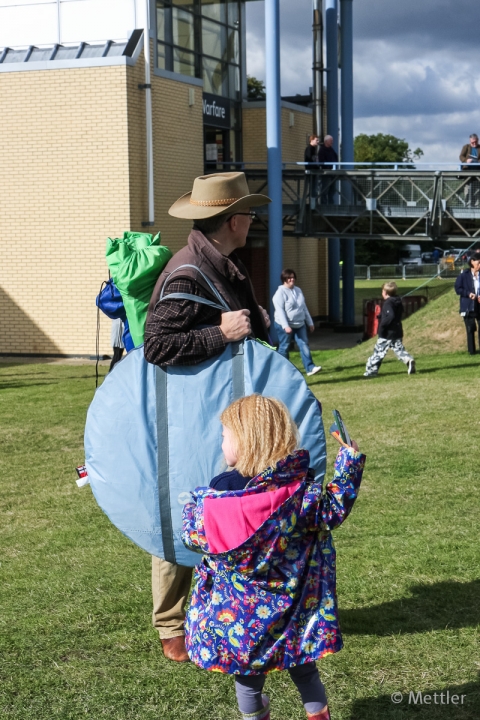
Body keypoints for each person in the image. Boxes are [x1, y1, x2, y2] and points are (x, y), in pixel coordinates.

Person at [143, 172, 271, 662]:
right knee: (179, 515)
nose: (254, 220)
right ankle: (171, 626)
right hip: (187, 419)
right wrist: (220, 332)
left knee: (225, 510)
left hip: (221, 413)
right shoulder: (187, 272)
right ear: (234, 219)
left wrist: (253, 320)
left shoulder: (221, 264)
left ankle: (220, 609)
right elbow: (158, 345)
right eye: (251, 212)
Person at [181, 394, 366, 720]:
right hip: (294, 613)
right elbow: (334, 508)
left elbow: (194, 534)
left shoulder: (220, 495)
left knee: (248, 683)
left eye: (224, 436)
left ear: (246, 441)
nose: (221, 443)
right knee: (305, 672)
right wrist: (348, 462)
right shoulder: (301, 490)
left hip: (240, 621)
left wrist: (193, 505)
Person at [272, 269, 321, 376]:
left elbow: (303, 307)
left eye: (293, 277)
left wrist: (310, 322)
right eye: (289, 278)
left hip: (300, 324)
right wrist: (285, 326)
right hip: (284, 325)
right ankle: (283, 370)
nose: (292, 279)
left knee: (304, 344)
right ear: (284, 279)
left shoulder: (298, 290)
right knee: (284, 347)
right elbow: (280, 311)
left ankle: (310, 368)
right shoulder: (279, 293)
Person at [364, 281, 416, 377]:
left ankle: (371, 371)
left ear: (385, 292)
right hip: (397, 331)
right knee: (398, 349)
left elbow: (390, 316)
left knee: (379, 351)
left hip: (387, 333)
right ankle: (408, 360)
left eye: (382, 291)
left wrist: (382, 326)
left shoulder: (388, 303)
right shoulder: (397, 301)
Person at [454, 251, 480, 355]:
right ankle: (472, 351)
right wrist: (468, 294)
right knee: (470, 328)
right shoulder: (464, 275)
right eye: (478, 263)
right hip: (468, 305)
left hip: (479, 305)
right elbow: (457, 289)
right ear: (472, 262)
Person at [459, 133, 480, 206]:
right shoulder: (466, 147)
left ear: (478, 140)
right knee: (467, 188)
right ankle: (467, 205)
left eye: (476, 142)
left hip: (478, 172)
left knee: (477, 189)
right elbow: (461, 156)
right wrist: (466, 160)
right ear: (470, 141)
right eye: (472, 142)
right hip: (467, 171)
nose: (474, 144)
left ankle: (476, 206)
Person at [318, 135, 338, 205]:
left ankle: (331, 204)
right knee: (325, 189)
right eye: (330, 141)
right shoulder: (322, 150)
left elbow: (335, 158)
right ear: (326, 141)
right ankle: (324, 204)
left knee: (333, 189)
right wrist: (328, 167)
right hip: (326, 173)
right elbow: (321, 162)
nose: (332, 142)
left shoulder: (331, 150)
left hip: (332, 173)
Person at [304, 134, 320, 208]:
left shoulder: (314, 149)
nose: (318, 141)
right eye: (316, 140)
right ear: (312, 140)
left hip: (314, 171)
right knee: (313, 188)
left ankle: (314, 202)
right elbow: (308, 161)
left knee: (315, 188)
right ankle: (313, 204)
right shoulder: (309, 149)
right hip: (311, 171)